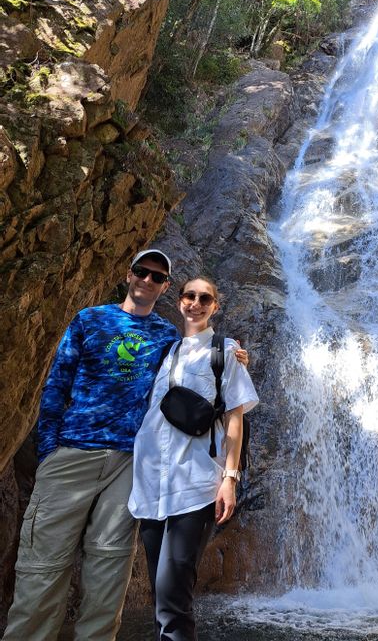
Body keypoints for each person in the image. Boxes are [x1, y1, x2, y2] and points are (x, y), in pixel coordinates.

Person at [2, 250, 248, 641]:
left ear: (165, 287)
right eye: (142, 272)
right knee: (43, 564)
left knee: (109, 569)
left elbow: (205, 362)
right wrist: (50, 452)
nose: (147, 281)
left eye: (157, 277)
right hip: (73, 453)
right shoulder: (89, 319)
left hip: (129, 464)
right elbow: (56, 386)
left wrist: (235, 355)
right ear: (128, 274)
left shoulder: (169, 338)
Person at [128, 275, 258, 641]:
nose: (196, 303)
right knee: (161, 594)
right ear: (180, 301)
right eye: (190, 296)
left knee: (173, 596)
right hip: (152, 484)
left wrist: (230, 480)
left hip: (197, 483)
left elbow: (235, 417)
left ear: (215, 306)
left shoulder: (225, 350)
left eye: (205, 298)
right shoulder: (166, 352)